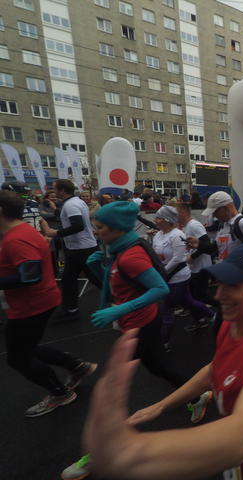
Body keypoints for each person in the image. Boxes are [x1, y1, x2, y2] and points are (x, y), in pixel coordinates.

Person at [82, 242, 243, 480]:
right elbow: (215, 369)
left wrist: (129, 452)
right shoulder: (233, 322)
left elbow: (241, 436)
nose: (218, 295)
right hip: (239, 465)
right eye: (220, 283)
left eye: (233, 285)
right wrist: (161, 405)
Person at [61, 201, 210, 480]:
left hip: (140, 325)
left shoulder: (130, 255)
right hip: (138, 323)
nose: (96, 231)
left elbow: (160, 288)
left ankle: (100, 452)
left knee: (111, 388)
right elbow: (121, 286)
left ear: (117, 228)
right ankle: (197, 395)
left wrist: (119, 310)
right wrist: (100, 269)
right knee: (158, 366)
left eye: (100, 227)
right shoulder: (118, 250)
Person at [0, 191, 96, 417]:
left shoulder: (17, 238)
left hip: (32, 305)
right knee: (26, 347)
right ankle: (77, 366)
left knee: (18, 358)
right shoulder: (16, 234)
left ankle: (60, 393)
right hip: (31, 303)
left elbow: (30, 276)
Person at [152, 206, 215, 351]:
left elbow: (178, 258)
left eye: (159, 218)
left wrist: (161, 272)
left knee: (168, 308)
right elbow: (155, 253)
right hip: (166, 275)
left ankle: (163, 342)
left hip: (177, 277)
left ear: (167, 220)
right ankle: (213, 315)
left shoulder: (177, 234)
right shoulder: (158, 235)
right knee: (188, 301)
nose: (156, 220)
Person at [40, 179, 99, 321]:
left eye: (55, 188)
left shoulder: (71, 204)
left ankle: (122, 299)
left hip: (82, 249)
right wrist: (55, 209)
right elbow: (67, 216)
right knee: (69, 279)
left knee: (96, 278)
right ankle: (70, 309)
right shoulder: (74, 202)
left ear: (62, 190)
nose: (53, 191)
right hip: (79, 248)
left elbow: (78, 225)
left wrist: (55, 233)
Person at [176, 203, 215, 332]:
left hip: (202, 266)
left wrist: (192, 257)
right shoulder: (186, 226)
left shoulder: (194, 225)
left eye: (176, 212)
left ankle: (218, 309)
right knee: (195, 295)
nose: (175, 216)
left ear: (183, 212)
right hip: (194, 267)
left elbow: (206, 243)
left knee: (199, 295)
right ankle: (200, 318)